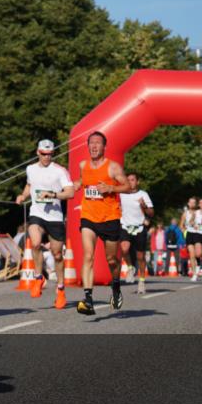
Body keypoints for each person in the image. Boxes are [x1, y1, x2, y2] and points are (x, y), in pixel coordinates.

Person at [73, 131, 129, 315]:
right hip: (88, 215)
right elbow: (84, 181)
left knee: (112, 260)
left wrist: (111, 187)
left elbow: (129, 186)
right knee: (88, 256)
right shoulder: (83, 165)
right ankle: (88, 300)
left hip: (110, 217)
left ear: (104, 147)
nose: (94, 146)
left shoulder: (113, 167)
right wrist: (76, 184)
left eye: (98, 143)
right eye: (91, 143)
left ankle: (115, 286)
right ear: (87, 146)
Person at [15, 139, 74, 309]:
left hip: (55, 217)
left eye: (49, 154)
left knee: (57, 255)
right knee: (34, 243)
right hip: (37, 214)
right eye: (43, 154)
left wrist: (54, 195)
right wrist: (22, 196)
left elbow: (70, 192)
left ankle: (61, 289)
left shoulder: (60, 171)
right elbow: (29, 185)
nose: (46, 157)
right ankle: (38, 278)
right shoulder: (30, 169)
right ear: (37, 153)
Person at [118, 172, 154, 294]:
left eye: (133, 180)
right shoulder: (121, 194)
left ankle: (142, 281)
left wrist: (143, 205)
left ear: (137, 182)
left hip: (139, 227)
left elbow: (151, 213)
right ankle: (130, 268)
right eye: (128, 180)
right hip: (125, 225)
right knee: (124, 248)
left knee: (140, 256)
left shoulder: (143, 194)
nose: (130, 182)